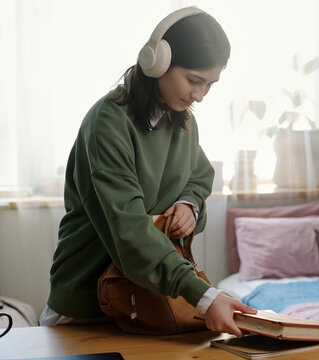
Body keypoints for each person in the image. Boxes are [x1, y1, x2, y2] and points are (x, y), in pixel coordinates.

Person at [40, 6, 256, 337]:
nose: (200, 95)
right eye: (194, 80)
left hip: (145, 303)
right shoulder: (108, 124)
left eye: (210, 85)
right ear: (157, 61)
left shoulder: (182, 120)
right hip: (85, 308)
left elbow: (199, 175)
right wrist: (204, 297)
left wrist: (189, 203)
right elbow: (130, 229)